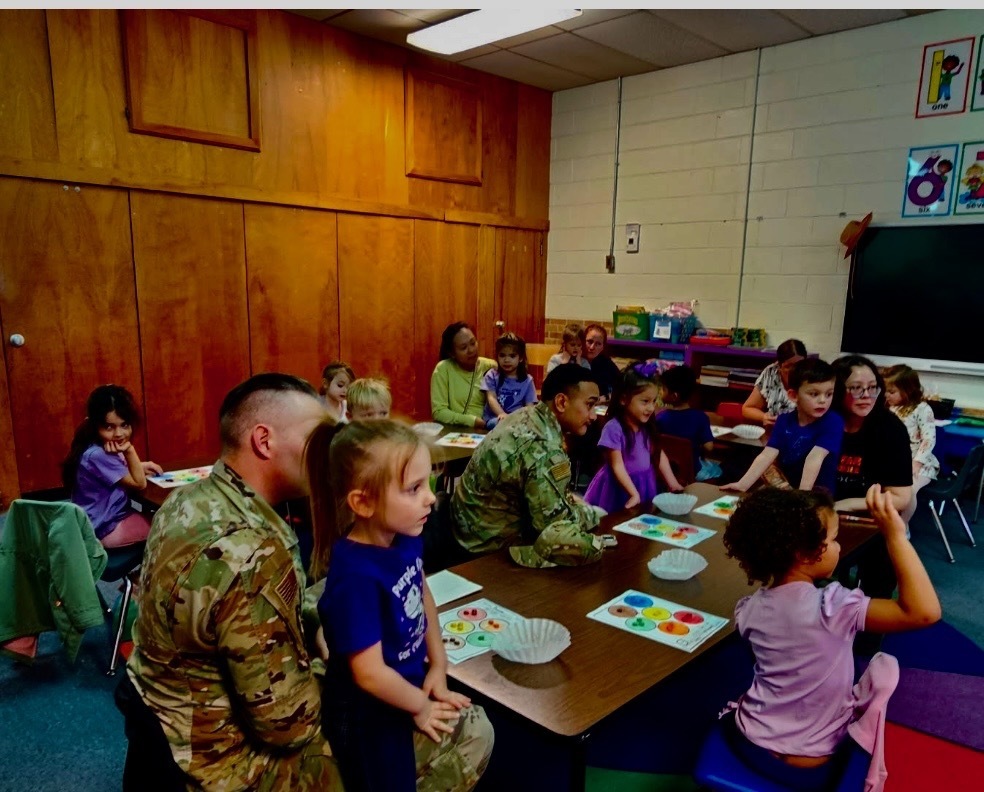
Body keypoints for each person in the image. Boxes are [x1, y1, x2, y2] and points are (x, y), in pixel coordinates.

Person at [120, 373, 342, 790]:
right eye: (317, 437)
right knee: (460, 733)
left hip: (158, 721)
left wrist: (312, 618)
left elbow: (219, 608)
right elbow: (287, 725)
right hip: (221, 760)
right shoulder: (254, 551)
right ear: (264, 441)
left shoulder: (189, 499)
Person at [306, 419, 494, 791]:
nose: (431, 497)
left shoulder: (403, 537)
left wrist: (437, 664)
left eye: (429, 484)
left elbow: (421, 594)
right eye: (414, 488)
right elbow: (370, 675)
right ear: (362, 502)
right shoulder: (356, 577)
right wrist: (420, 707)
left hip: (401, 687)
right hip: (366, 713)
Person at [720, 486, 940, 791]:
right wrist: (895, 537)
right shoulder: (834, 606)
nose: (838, 547)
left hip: (750, 741)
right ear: (803, 554)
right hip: (813, 759)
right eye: (832, 540)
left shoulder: (747, 610)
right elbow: (924, 612)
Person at [451, 364, 605, 568]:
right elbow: (552, 530)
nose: (594, 416)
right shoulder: (544, 449)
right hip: (489, 547)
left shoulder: (528, 415)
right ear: (561, 402)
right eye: (589, 405)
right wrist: (589, 515)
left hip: (466, 527)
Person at [831, 355, 912, 601]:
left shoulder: (890, 428)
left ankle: (871, 628)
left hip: (872, 517)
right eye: (856, 388)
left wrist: (847, 504)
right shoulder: (825, 422)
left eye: (873, 387)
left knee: (878, 576)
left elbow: (900, 498)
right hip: (824, 513)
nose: (866, 395)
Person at [61, 385, 163, 548]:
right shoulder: (100, 454)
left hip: (98, 522)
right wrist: (130, 450)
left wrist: (142, 465)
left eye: (124, 425)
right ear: (95, 426)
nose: (118, 434)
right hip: (105, 528)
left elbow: (117, 470)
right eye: (109, 427)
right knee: (169, 523)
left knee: (158, 516)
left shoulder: (96, 446)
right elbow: (139, 484)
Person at [722, 359, 843, 494]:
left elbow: (814, 458)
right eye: (814, 394)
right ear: (793, 395)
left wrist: (803, 496)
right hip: (787, 493)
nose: (823, 400)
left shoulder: (833, 422)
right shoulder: (783, 420)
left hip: (816, 497)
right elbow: (767, 455)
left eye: (829, 394)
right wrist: (742, 484)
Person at [584, 364, 683, 512]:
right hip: (619, 487)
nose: (651, 408)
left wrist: (672, 483)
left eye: (653, 401)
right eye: (645, 401)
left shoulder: (647, 426)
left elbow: (658, 453)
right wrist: (633, 493)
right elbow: (616, 465)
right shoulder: (614, 428)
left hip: (644, 483)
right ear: (624, 399)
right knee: (615, 526)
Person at [883, 364, 939, 524]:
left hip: (920, 463)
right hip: (895, 462)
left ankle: (902, 526)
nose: (886, 395)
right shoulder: (889, 408)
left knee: (908, 491)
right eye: (885, 390)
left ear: (908, 390)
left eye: (891, 392)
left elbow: (929, 439)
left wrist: (916, 463)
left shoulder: (922, 409)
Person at [431, 322, 496, 429]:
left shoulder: (491, 366)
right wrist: (472, 421)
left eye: (473, 343)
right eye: (463, 347)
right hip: (453, 431)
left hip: (487, 430)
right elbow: (439, 412)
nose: (471, 350)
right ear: (452, 353)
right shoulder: (443, 369)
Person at [654, 364, 715, 478]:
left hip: (663, 471)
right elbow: (709, 447)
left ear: (674, 396)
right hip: (692, 472)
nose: (661, 392)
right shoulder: (701, 417)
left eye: (663, 389)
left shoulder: (660, 417)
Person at [742, 339, 808, 426]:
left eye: (799, 365)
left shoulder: (811, 377)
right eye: (788, 366)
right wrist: (763, 417)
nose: (794, 370)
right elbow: (747, 409)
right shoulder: (771, 373)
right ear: (779, 366)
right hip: (776, 431)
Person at [480, 332, 537, 430]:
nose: (506, 360)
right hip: (495, 419)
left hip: (517, 421)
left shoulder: (527, 381)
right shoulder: (492, 375)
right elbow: (491, 398)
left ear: (521, 358)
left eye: (512, 356)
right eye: (502, 355)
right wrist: (501, 414)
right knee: (502, 425)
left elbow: (529, 407)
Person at [583, 323, 621, 399]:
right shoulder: (572, 359)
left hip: (600, 406)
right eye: (589, 341)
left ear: (603, 347)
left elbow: (622, 388)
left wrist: (605, 398)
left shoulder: (606, 362)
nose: (592, 347)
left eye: (598, 344)